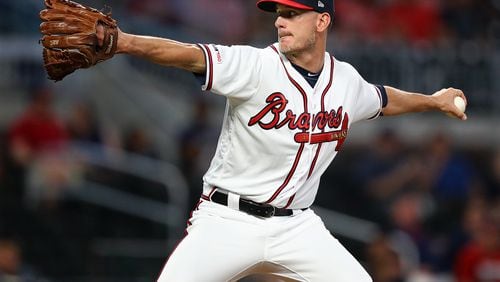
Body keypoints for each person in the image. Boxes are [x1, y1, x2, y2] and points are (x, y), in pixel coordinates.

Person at [97, 0, 468, 280]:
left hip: (297, 227)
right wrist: (124, 41)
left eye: (292, 14)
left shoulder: (346, 81)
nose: (279, 21)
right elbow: (189, 55)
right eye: (279, 13)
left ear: (322, 21)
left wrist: (433, 101)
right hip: (228, 220)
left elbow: (384, 99)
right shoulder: (256, 66)